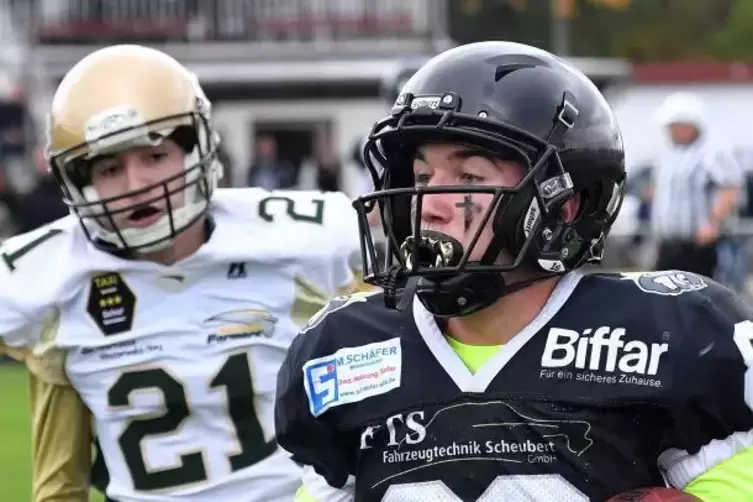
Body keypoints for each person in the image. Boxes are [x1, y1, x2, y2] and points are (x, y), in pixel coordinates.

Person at [274, 41, 753, 502]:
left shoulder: (670, 336)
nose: (429, 206)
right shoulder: (343, 347)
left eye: (469, 178)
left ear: (562, 206)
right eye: (422, 178)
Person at [0, 44, 362, 502]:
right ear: (78, 181)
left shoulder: (306, 242)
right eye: (110, 168)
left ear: (198, 146)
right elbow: (58, 487)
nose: (136, 185)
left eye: (154, 157)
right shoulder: (47, 280)